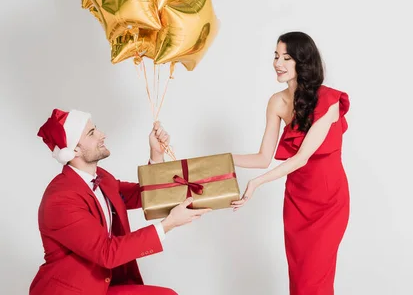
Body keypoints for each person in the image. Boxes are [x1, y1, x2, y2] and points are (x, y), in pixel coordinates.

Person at [30, 108, 211, 295]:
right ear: (74, 149)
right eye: (92, 133)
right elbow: (106, 253)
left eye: (96, 129)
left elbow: (141, 195)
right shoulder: (61, 199)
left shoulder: (101, 177)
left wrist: (156, 154)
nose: (102, 135)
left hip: (103, 284)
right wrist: (168, 224)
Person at [231, 31, 350, 294]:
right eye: (276, 56)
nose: (278, 63)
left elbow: (302, 157)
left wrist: (256, 184)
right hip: (297, 202)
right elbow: (263, 158)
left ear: (303, 62)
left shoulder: (328, 101)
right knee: (299, 280)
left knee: (314, 280)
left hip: (328, 202)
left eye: (286, 57)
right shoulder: (277, 101)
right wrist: (222, 159)